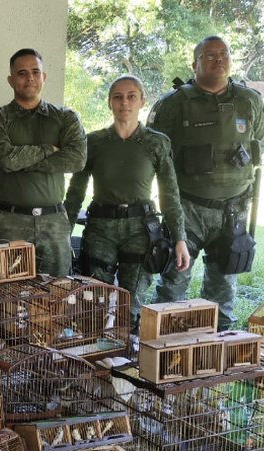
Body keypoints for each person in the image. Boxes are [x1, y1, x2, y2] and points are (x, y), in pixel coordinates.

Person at [148, 36, 264, 330]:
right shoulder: (173, 104)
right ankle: (161, 348)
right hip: (187, 208)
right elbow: (154, 153)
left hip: (233, 210)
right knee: (174, 282)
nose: (218, 60)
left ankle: (216, 350)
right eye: (210, 55)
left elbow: (260, 145)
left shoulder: (249, 100)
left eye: (224, 54)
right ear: (195, 63)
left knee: (223, 287)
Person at [64, 75, 191, 330]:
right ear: (109, 102)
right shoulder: (94, 142)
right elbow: (76, 191)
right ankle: (95, 357)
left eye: (132, 96)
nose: (125, 102)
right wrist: (63, 232)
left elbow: (170, 194)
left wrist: (180, 238)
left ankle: (124, 357)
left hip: (140, 231)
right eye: (118, 97)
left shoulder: (157, 143)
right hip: (101, 228)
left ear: (142, 101)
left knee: (131, 303)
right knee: (92, 301)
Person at [0, 48, 86, 277]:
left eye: (35, 72)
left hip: (53, 222)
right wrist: (48, 150)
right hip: (8, 221)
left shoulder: (65, 117)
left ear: (44, 77)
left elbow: (77, 160)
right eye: (22, 73)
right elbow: (5, 159)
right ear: (11, 80)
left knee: (57, 296)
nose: (30, 78)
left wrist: (21, 162)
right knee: (3, 295)